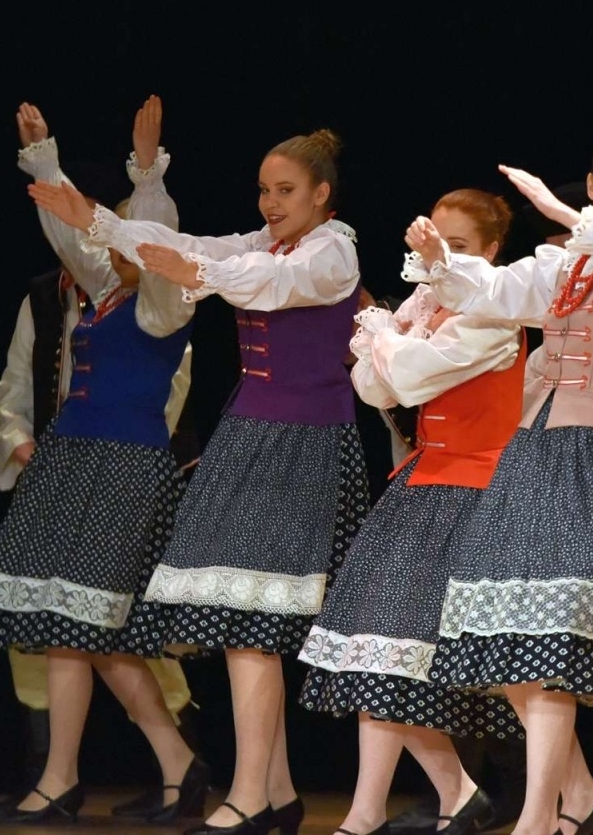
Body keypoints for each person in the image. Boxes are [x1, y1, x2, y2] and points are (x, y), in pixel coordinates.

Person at [33, 128, 366, 835]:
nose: (270, 203)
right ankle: (272, 791)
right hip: (250, 435)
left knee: (252, 620)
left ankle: (251, 793)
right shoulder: (262, 243)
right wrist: (96, 221)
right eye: (264, 190)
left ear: (321, 195)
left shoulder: (333, 250)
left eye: (285, 191)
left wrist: (196, 273)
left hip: (302, 442)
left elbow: (274, 285)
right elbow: (198, 246)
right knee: (244, 618)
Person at [403, 140, 593, 835]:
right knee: (507, 626)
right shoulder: (561, 264)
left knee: (559, 636)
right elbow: (497, 294)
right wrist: (441, 262)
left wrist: (570, 213)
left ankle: (543, 815)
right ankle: (576, 803)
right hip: (536, 450)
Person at [0, 98, 207, 823]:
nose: (112, 251)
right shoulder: (105, 293)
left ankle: (170, 763)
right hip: (72, 462)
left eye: (131, 242)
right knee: (63, 622)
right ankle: (67, 777)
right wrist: (44, 161)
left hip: (124, 470)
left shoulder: (167, 303)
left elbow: (150, 235)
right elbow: (71, 236)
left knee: (94, 628)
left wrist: (146, 172)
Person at [300, 188, 527, 835]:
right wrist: (391, 342)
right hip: (419, 486)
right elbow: (371, 387)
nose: (441, 257)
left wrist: (385, 339)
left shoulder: (491, 316)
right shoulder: (429, 305)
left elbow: (409, 379)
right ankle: (390, 807)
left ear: (489, 253)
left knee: (414, 656)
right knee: (378, 651)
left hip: (474, 494)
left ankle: (514, 797)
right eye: (435, 242)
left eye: (458, 248)